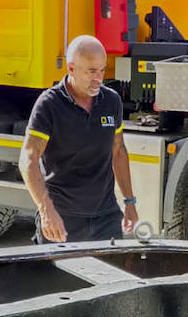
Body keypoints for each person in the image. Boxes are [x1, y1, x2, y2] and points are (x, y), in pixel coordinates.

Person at [19, 35, 138, 243]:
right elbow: (27, 160)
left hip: (106, 217)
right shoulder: (49, 105)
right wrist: (46, 210)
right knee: (59, 277)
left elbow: (118, 150)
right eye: (91, 71)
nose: (99, 79)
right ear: (71, 69)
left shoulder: (111, 101)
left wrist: (129, 202)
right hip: (62, 218)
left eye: (102, 70)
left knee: (113, 275)